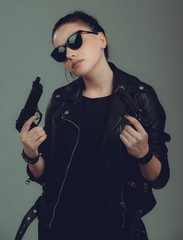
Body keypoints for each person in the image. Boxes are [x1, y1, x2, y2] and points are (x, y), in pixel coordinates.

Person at [18, 11, 170, 240]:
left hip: (116, 229)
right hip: (58, 227)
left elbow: (159, 178)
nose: (69, 53)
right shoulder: (61, 100)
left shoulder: (140, 97)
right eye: (60, 52)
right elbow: (45, 175)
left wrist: (144, 154)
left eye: (75, 40)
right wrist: (31, 154)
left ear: (101, 39)